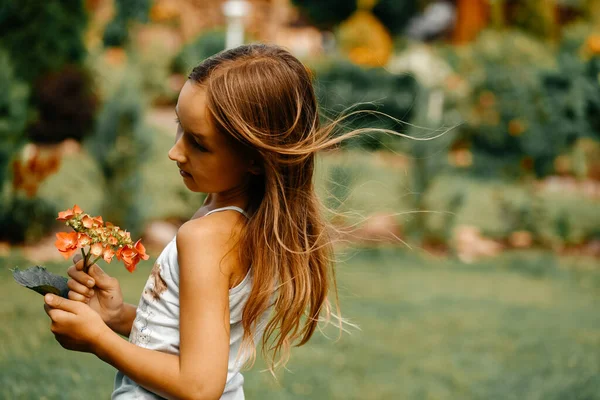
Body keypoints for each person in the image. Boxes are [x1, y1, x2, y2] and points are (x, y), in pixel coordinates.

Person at [42, 43, 370, 399]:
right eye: (179, 127)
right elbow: (199, 338)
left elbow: (199, 387)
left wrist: (98, 339)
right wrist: (118, 315)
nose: (175, 151)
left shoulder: (207, 237)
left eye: (198, 143)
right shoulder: (242, 222)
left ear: (256, 159)